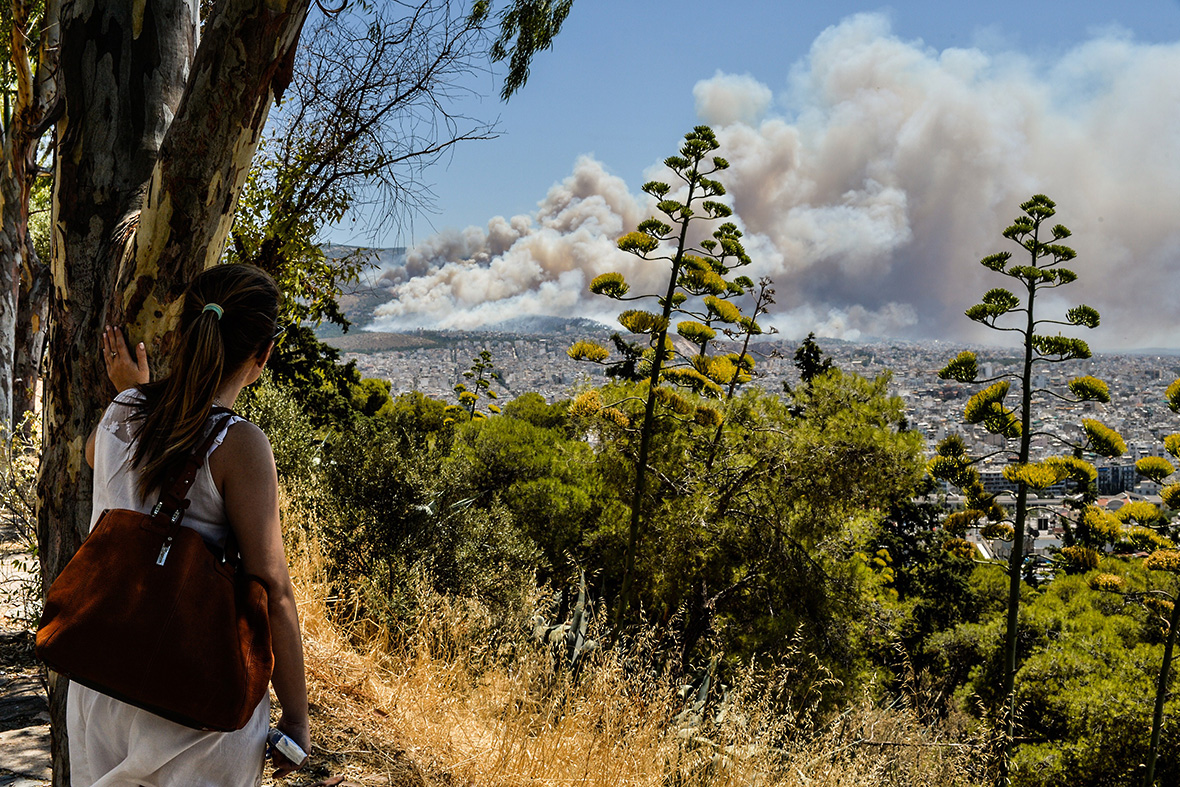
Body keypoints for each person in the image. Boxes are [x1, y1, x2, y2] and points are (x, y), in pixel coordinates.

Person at [70, 263, 311, 785]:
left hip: (100, 684)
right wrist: (296, 719)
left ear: (181, 335)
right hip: (192, 709)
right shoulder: (241, 445)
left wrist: (131, 391)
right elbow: (274, 588)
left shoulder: (121, 412)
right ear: (263, 355)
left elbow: (96, 456)